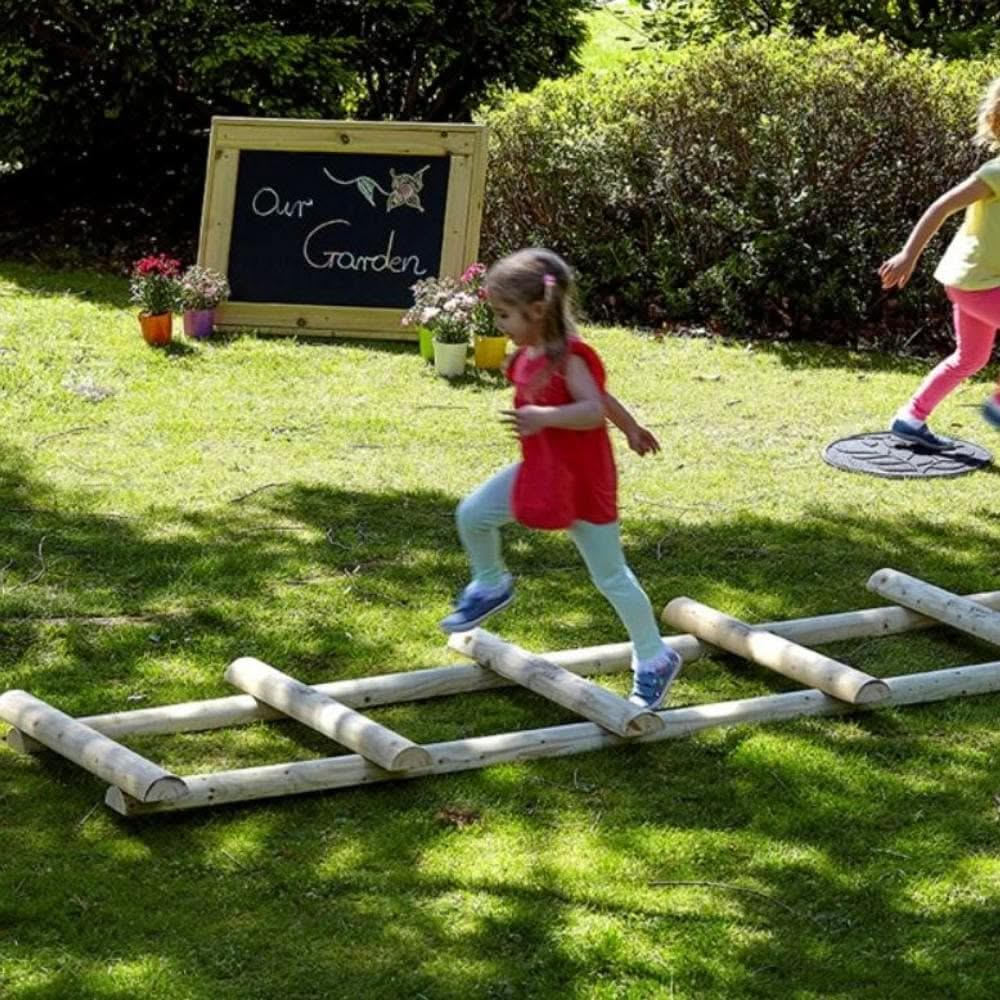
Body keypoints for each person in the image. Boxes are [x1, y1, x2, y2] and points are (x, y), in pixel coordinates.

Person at [439, 248, 681, 710]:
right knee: (473, 514)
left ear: (536, 311)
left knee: (610, 576)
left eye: (504, 314)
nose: (500, 323)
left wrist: (545, 417)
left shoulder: (572, 356)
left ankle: (654, 658)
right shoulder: (530, 352)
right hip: (541, 472)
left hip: (582, 481)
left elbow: (591, 408)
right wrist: (630, 427)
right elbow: (603, 399)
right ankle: (491, 583)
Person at [880, 77, 1000, 449]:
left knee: (970, 357)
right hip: (977, 281)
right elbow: (942, 207)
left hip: (973, 282)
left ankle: (910, 418)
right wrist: (907, 255)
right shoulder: (995, 172)